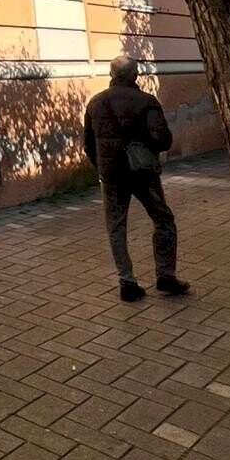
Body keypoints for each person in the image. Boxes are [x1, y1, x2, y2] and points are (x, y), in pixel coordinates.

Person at [84, 54, 190, 302]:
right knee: (163, 219)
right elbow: (163, 140)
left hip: (111, 174)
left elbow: (88, 144)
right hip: (143, 173)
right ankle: (165, 276)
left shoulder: (95, 103)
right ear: (135, 75)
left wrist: (102, 168)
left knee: (116, 226)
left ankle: (127, 282)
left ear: (111, 74)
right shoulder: (146, 101)